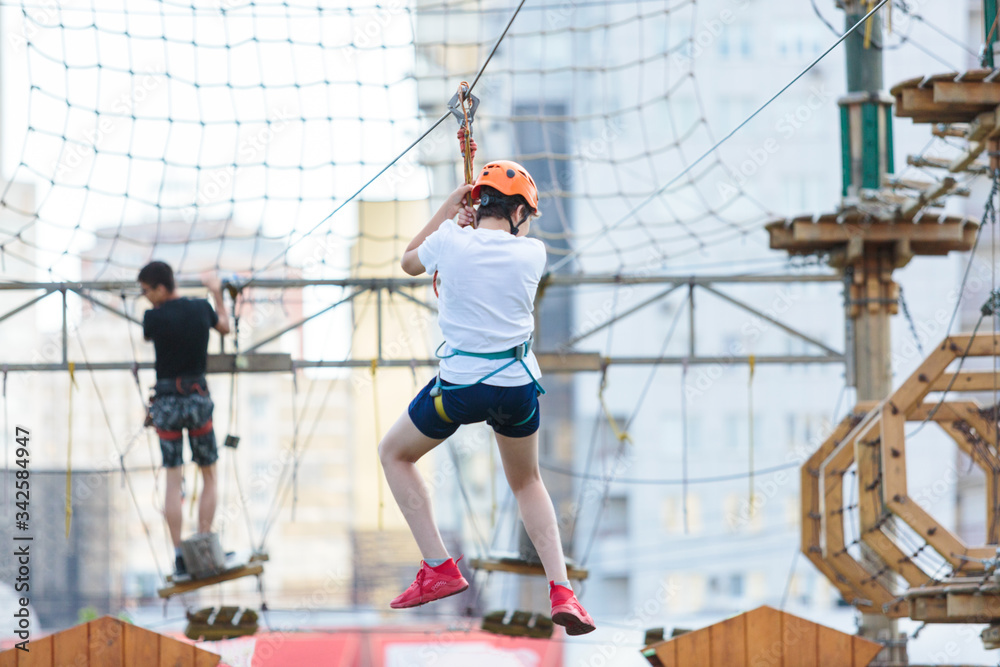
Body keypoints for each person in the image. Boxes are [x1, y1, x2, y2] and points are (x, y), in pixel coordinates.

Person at [378, 132, 595, 635]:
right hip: (517, 388)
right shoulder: (533, 254)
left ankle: (438, 567)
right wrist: (467, 223)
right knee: (527, 482)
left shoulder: (451, 239)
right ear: (519, 213)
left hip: (459, 390)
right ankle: (563, 591)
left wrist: (448, 212)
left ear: (478, 202)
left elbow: (410, 262)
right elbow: (493, 250)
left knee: (394, 454)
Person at [139, 261, 231, 576]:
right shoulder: (200, 308)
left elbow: (152, 336)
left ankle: (179, 553)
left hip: (166, 404)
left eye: (146, 290)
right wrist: (216, 293)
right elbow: (225, 326)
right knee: (209, 477)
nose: (145, 297)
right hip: (196, 401)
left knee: (172, 479)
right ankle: (204, 546)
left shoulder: (153, 318)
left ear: (160, 288)